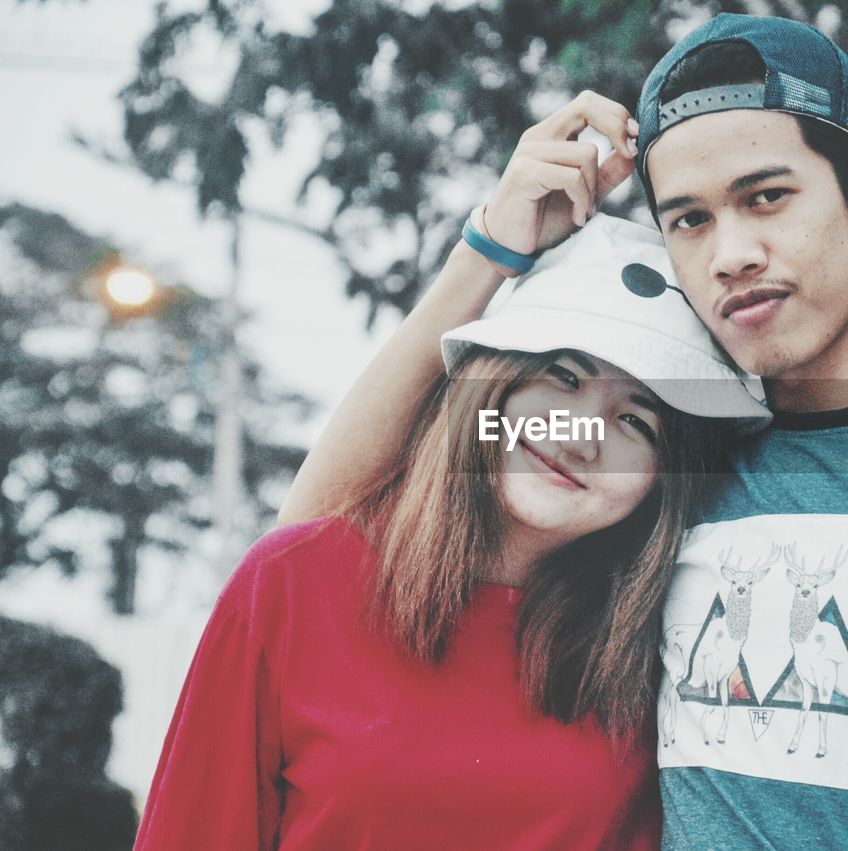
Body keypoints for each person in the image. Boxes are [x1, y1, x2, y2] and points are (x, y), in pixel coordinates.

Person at [276, 16, 848, 847]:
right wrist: (487, 250)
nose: (729, 251)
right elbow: (312, 538)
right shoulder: (671, 457)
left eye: (766, 196)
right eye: (689, 219)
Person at [135, 212, 773, 849]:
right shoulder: (294, 580)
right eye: (564, 377)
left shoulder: (681, 636)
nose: (581, 438)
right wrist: (489, 241)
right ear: (489, 384)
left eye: (638, 424)